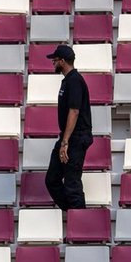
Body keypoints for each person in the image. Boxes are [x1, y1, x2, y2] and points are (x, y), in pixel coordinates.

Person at [45, 44, 93, 211]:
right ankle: (74, 215)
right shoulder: (68, 80)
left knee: (72, 185)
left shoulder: (74, 81)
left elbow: (74, 111)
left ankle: (82, 231)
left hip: (75, 138)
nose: (53, 63)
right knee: (52, 179)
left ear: (63, 61)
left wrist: (65, 142)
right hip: (68, 137)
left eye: (55, 60)